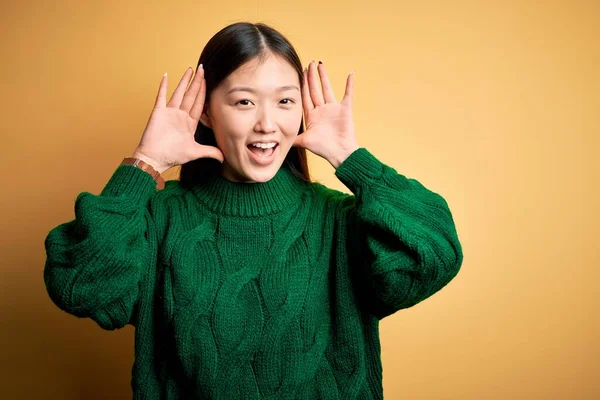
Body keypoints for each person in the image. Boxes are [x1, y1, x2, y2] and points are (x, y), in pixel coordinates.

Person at [43, 21, 464, 399]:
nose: (268, 124)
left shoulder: (339, 222)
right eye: (245, 102)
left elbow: (435, 255)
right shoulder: (159, 218)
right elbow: (82, 286)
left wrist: (353, 159)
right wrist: (144, 163)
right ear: (206, 110)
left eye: (285, 102)